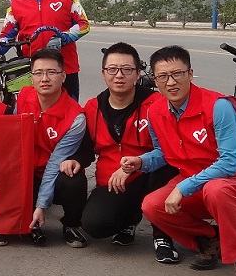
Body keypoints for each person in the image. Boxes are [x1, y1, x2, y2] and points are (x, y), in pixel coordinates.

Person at [121, 46, 236, 276]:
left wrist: (183, 187)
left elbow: (230, 163)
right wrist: (141, 161)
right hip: (200, 185)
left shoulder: (218, 106)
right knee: (152, 206)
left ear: (190, 73)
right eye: (162, 76)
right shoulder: (155, 111)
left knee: (218, 189)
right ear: (155, 80)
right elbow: (163, 153)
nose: (171, 82)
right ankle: (210, 239)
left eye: (177, 74)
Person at [68, 43, 179, 262]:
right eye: (112, 69)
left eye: (127, 69)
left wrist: (137, 164)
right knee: (95, 224)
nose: (119, 75)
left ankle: (163, 236)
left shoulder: (157, 104)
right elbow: (86, 149)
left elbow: (170, 150)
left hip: (150, 175)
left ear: (137, 73)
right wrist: (76, 160)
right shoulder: (93, 107)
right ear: (103, 73)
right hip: (113, 181)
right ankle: (130, 218)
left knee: (166, 168)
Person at [15, 48, 87, 247]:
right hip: (27, 172)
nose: (44, 79)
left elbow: (55, 163)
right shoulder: (23, 96)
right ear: (31, 77)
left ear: (63, 76)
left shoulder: (76, 118)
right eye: (38, 73)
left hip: (54, 173)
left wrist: (41, 205)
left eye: (51, 72)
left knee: (73, 179)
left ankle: (71, 224)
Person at [0, 0, 90, 101]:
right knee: (32, 111)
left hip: (65, 69)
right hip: (33, 71)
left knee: (70, 111)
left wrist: (64, 37)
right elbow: (6, 36)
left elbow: (84, 24)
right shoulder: (16, 1)